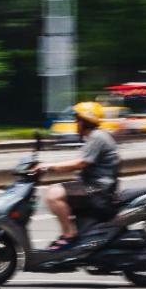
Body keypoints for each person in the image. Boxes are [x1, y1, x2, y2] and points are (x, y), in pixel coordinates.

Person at [35, 102, 120, 251]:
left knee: (53, 194)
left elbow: (80, 163)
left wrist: (49, 167)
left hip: (98, 189)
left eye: (77, 120)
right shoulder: (94, 137)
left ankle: (69, 235)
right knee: (59, 191)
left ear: (86, 121)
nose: (76, 124)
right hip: (93, 186)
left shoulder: (97, 137)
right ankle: (77, 234)